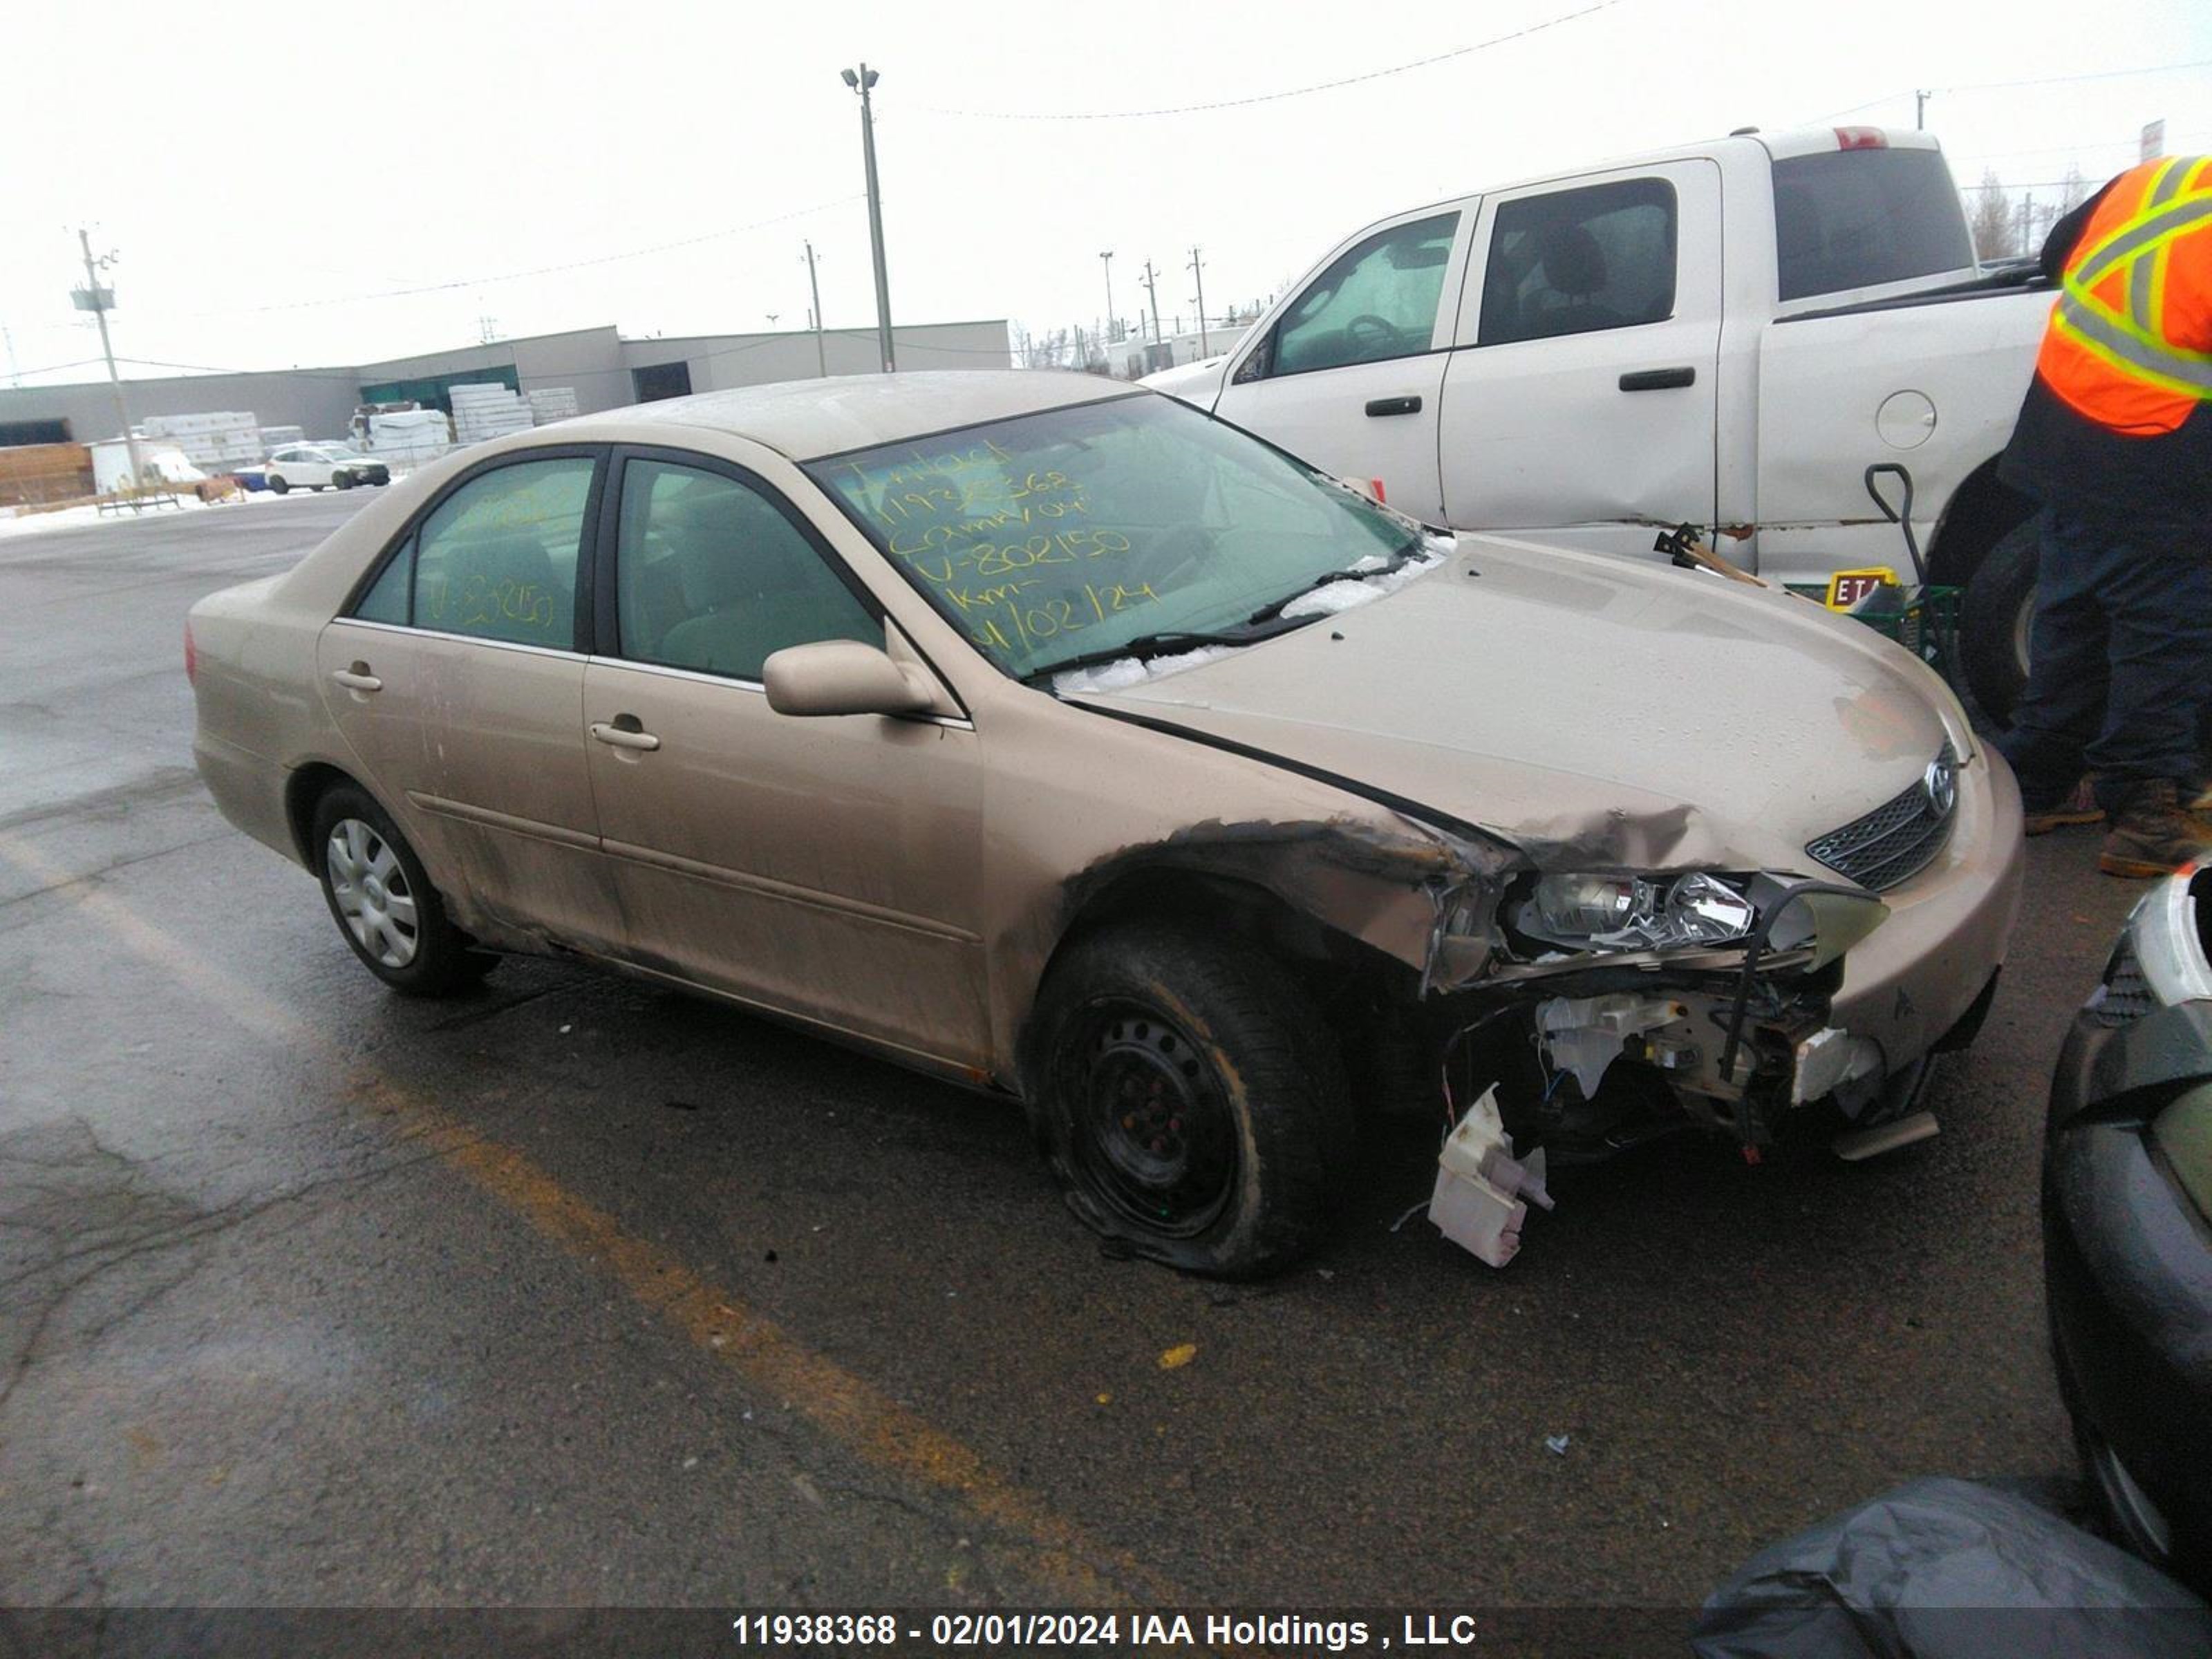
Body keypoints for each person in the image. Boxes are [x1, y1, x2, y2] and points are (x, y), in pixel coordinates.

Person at [1995, 153, 2212, 878]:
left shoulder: (2162, 179)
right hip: (2156, 454)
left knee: (2072, 619)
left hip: (2063, 433)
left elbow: (2059, 254)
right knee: (2163, 641)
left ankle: (2036, 784)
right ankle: (2145, 814)